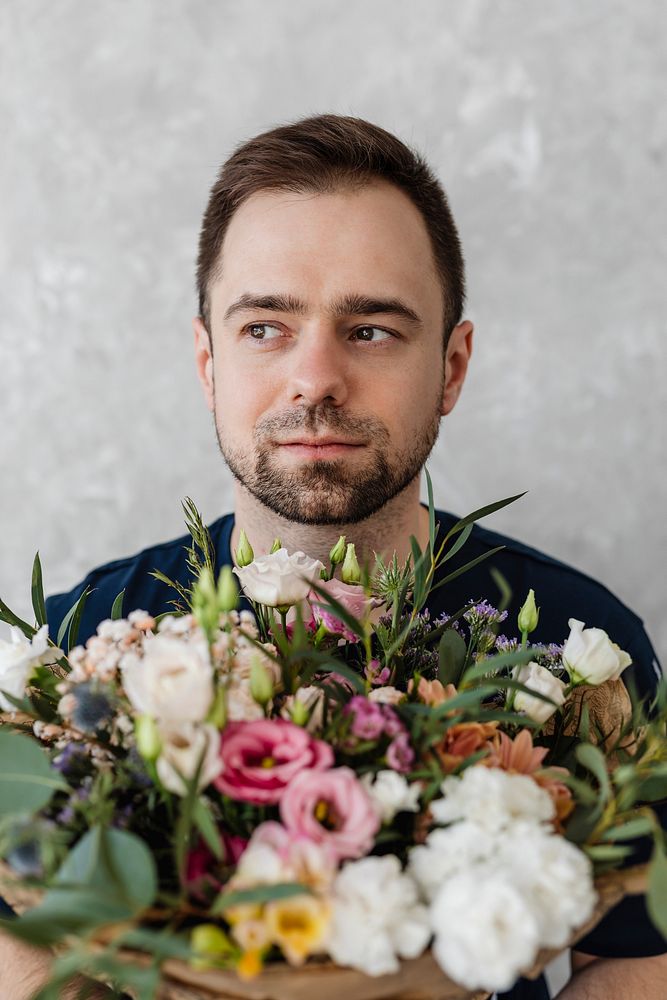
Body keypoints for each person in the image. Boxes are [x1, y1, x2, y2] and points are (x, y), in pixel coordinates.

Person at [3, 114, 665, 999]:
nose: (315, 377)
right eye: (264, 328)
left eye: (370, 330)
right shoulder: (75, 650)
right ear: (207, 362)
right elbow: (20, 941)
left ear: (451, 367)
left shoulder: (589, 655)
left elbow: (635, 953)